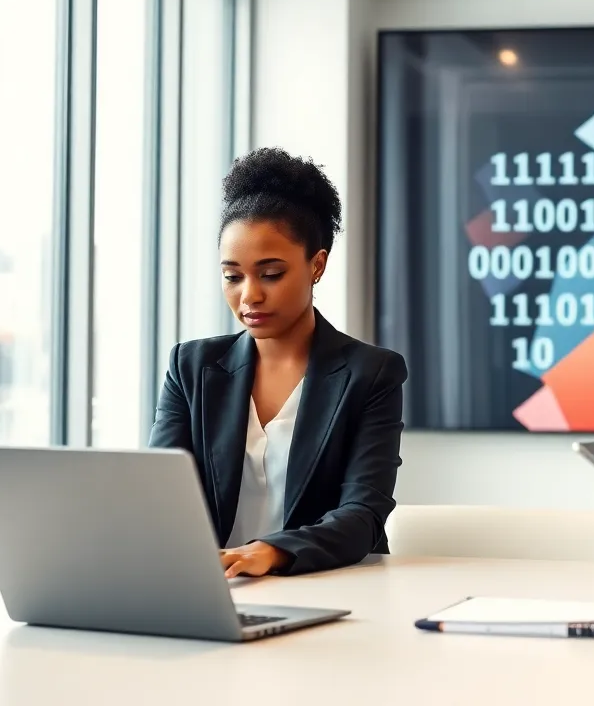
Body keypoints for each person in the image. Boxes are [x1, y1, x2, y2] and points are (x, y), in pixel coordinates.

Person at [148, 148, 408, 579]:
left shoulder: (372, 373)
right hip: (212, 586)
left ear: (316, 265)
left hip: (325, 585)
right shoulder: (190, 366)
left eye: (270, 274)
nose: (249, 295)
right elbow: (158, 495)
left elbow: (363, 514)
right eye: (233, 276)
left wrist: (272, 552)